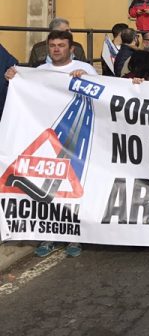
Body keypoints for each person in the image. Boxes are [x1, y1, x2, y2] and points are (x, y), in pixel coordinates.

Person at [6, 30, 96, 259]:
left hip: (76, 138)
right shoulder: (39, 72)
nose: (56, 49)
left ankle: (75, 237)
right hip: (47, 138)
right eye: (53, 45)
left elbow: (100, 98)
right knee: (46, 188)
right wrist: (13, 76)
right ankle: (50, 234)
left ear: (71, 49)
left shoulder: (85, 69)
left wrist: (86, 78)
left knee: (73, 188)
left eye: (61, 45)